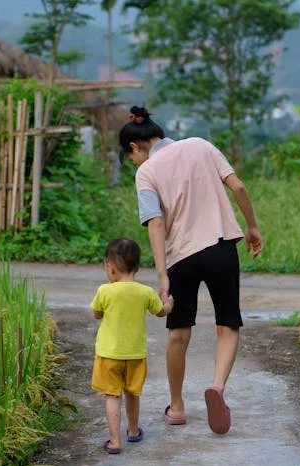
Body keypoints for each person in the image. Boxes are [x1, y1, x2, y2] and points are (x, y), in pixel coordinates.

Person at [117, 106, 264, 435]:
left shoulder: (147, 172)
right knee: (227, 325)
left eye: (130, 157)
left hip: (181, 256)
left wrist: (161, 273)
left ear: (134, 147)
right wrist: (252, 227)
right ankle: (217, 387)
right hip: (222, 245)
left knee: (178, 333)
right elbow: (238, 187)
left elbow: (156, 223)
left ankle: (178, 407)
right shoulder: (200, 144)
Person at [90, 237, 174, 454]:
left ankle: (115, 442)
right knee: (132, 393)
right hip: (135, 354)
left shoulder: (104, 291)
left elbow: (97, 314)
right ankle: (134, 432)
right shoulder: (145, 292)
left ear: (109, 267)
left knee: (112, 395)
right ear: (137, 267)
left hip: (109, 354)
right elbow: (161, 312)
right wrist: (169, 303)